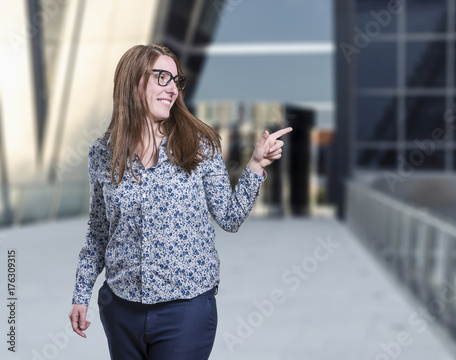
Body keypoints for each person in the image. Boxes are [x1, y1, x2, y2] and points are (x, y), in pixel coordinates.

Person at [68, 43, 292, 360]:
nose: (172, 88)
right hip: (120, 309)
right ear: (134, 82)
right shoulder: (102, 153)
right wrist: (81, 294)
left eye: (176, 81)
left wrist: (254, 166)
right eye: (162, 77)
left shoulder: (199, 145)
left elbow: (229, 218)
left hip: (185, 311)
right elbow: (98, 232)